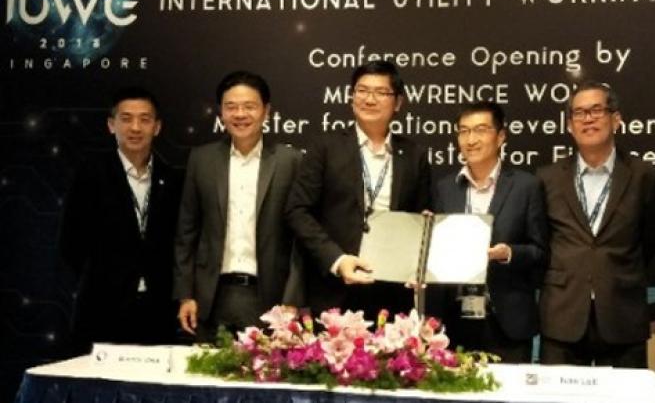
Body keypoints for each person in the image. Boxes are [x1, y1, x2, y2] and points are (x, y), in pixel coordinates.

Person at [285, 60, 431, 318]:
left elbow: (421, 217)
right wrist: (337, 259)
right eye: (362, 90)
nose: (369, 99)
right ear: (352, 97)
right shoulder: (325, 148)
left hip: (392, 293)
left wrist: (414, 266)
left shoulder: (413, 155)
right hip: (333, 290)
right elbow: (298, 211)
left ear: (398, 102)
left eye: (381, 92)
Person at [537, 80, 655, 368]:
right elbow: (543, 240)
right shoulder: (547, 178)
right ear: (569, 126)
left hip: (622, 313)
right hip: (562, 315)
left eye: (596, 110)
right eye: (579, 113)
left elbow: (651, 239)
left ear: (615, 119)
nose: (588, 119)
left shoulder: (644, 176)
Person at [173, 70, 302, 342]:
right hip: (210, 299)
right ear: (221, 112)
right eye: (231, 107)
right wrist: (186, 294)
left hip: (270, 300)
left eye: (249, 106)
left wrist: (293, 300)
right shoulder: (202, 159)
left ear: (266, 111)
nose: (240, 114)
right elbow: (187, 232)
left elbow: (300, 240)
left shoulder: (290, 161)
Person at [59, 87, 182, 353]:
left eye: (144, 119)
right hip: (102, 309)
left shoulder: (173, 179)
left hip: (159, 311)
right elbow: (71, 243)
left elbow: (181, 243)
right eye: (126, 118)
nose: (135, 127)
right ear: (111, 125)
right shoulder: (90, 175)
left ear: (157, 127)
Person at [429, 101, 548, 363]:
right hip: (455, 320)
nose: (471, 140)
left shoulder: (526, 186)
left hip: (507, 321)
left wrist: (508, 253)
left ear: (501, 136)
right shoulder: (445, 188)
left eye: (481, 130)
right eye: (463, 131)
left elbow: (541, 251)